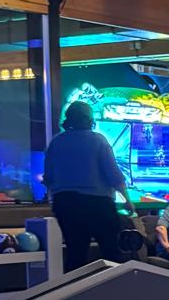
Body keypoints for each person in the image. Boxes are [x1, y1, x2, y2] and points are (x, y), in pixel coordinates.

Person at [43, 99, 133, 272]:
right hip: (97, 204)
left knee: (76, 253)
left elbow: (49, 178)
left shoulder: (56, 142)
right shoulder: (98, 141)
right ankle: (114, 286)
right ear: (89, 119)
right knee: (111, 252)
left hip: (65, 203)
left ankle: (74, 287)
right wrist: (128, 201)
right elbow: (114, 175)